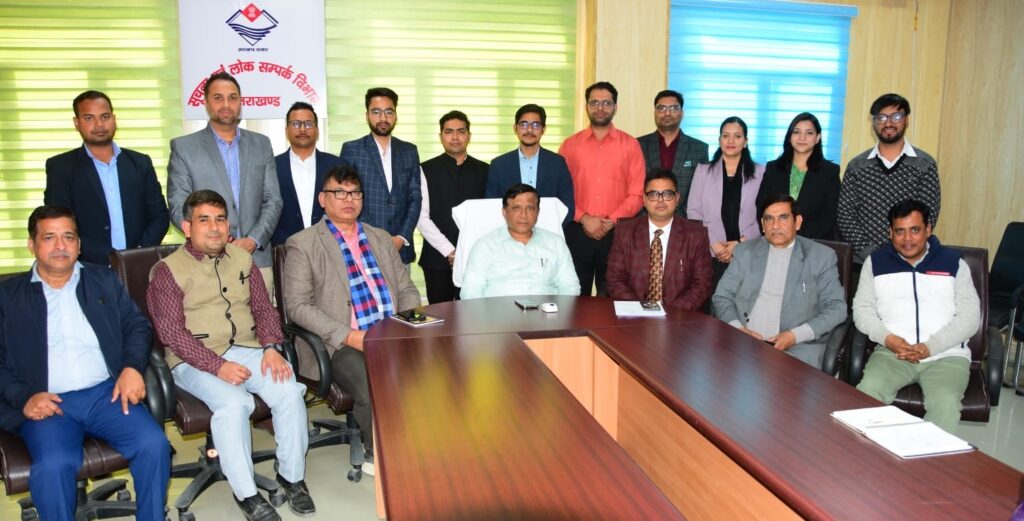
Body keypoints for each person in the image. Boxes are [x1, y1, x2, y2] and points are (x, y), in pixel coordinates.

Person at [147, 190, 313, 521]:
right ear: (187, 227)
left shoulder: (242, 259)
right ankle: (247, 494)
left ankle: (291, 477)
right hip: (193, 359)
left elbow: (264, 309)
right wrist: (217, 366)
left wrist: (271, 347)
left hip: (248, 348)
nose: (214, 228)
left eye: (220, 219)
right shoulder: (167, 270)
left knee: (288, 389)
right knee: (234, 404)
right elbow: (171, 334)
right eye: (204, 220)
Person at [0, 205, 169, 521]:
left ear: (79, 244)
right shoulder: (7, 296)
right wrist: (24, 397)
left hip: (105, 394)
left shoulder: (102, 280)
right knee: (54, 465)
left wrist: (132, 368)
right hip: (48, 403)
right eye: (49, 237)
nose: (60, 246)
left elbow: (137, 325)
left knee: (153, 444)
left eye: (68, 237)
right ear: (31, 244)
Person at [283, 165, 421, 472]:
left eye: (355, 193)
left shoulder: (380, 238)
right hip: (339, 343)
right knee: (374, 386)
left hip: (391, 334)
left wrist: (405, 325)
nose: (349, 200)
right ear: (323, 199)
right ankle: (382, 456)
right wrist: (349, 335)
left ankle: (424, 442)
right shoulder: (303, 243)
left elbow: (407, 289)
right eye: (339, 193)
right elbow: (297, 306)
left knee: (436, 372)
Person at [853, 199, 980, 433]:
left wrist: (931, 347)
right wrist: (889, 339)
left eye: (915, 230)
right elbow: (862, 310)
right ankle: (871, 454)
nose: (907, 239)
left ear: (928, 229)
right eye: (899, 231)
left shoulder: (953, 262)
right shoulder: (875, 263)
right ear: (890, 232)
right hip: (893, 353)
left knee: (946, 404)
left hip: (945, 354)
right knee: (867, 394)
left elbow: (970, 317)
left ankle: (929, 456)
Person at [712, 194, 847, 368]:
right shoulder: (745, 251)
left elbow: (837, 308)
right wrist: (738, 329)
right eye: (769, 219)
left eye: (783, 218)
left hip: (796, 348)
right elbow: (722, 296)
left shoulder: (821, 257)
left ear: (797, 222)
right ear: (762, 224)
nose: (775, 226)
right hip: (741, 341)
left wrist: (794, 336)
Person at [167, 71, 282, 269]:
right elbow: (178, 205)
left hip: (256, 259)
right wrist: (214, 239)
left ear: (240, 102)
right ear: (206, 103)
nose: (226, 104)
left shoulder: (261, 144)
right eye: (218, 98)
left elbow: (273, 200)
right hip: (205, 262)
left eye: (232, 98)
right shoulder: (184, 148)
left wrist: (253, 240)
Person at [44, 90, 169, 265]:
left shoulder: (140, 163)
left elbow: (159, 216)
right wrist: (106, 259)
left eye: (105, 117)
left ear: (114, 118)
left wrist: (139, 252)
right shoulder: (61, 167)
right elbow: (59, 223)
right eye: (89, 118)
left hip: (139, 263)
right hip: (89, 266)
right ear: (76, 123)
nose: (99, 124)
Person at [558, 81, 645, 296]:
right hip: (577, 231)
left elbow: (637, 193)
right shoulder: (570, 145)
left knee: (613, 296)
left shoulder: (630, 145)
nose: (600, 108)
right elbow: (560, 191)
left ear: (615, 107)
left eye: (606, 103)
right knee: (575, 295)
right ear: (586, 106)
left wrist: (610, 221)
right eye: (594, 102)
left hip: (616, 233)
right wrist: (583, 217)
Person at [838, 93, 940, 264]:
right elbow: (845, 215)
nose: (888, 123)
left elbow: (928, 215)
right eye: (881, 117)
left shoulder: (924, 163)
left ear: (907, 120)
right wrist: (872, 255)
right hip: (863, 263)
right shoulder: (857, 165)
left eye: (896, 116)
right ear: (873, 123)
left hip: (909, 261)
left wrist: (901, 253)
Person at [606, 168, 712, 311]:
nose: (660, 200)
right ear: (644, 199)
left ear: (677, 198)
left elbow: (702, 283)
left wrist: (671, 313)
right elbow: (615, 279)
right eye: (653, 194)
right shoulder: (625, 232)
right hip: (635, 316)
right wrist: (642, 310)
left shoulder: (696, 234)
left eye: (667, 194)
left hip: (680, 317)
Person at [339, 87, 421, 264]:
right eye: (376, 112)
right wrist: (374, 238)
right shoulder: (352, 150)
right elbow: (348, 198)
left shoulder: (409, 151)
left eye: (388, 112)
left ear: (396, 116)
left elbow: (415, 198)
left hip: (400, 248)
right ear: (367, 115)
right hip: (363, 245)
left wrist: (401, 237)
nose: (383, 118)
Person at [461, 184, 580, 299]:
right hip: (498, 312)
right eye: (516, 208)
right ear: (504, 212)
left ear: (538, 212)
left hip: (547, 311)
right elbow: (471, 291)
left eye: (530, 208)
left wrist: (559, 311)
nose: (523, 215)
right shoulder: (485, 246)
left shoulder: (555, 243)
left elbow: (570, 285)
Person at [418, 110, 489, 303]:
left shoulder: (485, 170)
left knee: (474, 314)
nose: (455, 137)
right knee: (439, 315)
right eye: (449, 131)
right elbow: (421, 217)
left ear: (469, 136)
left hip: (476, 258)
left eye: (461, 131)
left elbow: (489, 217)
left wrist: (467, 252)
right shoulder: (425, 169)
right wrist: (450, 251)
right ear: (440, 136)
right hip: (437, 257)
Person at [687, 116, 765, 283]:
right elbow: (693, 212)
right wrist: (713, 243)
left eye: (737, 136)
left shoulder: (761, 173)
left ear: (745, 141)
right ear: (719, 140)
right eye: (726, 135)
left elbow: (764, 214)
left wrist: (739, 243)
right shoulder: (703, 171)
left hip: (748, 251)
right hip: (712, 252)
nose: (731, 141)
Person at [756, 112, 840, 240]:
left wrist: (795, 237)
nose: (802, 138)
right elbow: (762, 207)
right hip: (776, 240)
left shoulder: (830, 172)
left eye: (809, 133)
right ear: (789, 137)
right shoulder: (773, 169)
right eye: (796, 132)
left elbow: (829, 215)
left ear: (817, 138)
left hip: (814, 243)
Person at [486, 104, 574, 224]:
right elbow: (492, 206)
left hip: (548, 232)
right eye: (524, 124)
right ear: (515, 128)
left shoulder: (557, 163)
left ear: (544, 129)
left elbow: (567, 207)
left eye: (536, 125)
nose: (529, 130)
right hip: (508, 232)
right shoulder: (499, 165)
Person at [271, 101, 343, 246]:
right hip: (286, 247)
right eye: (296, 124)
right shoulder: (272, 166)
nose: (302, 129)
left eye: (308, 124)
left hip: (331, 246)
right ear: (286, 130)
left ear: (317, 130)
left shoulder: (337, 165)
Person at [637, 89, 709, 214]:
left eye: (674, 108)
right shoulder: (638, 145)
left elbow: (702, 193)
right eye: (662, 108)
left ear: (682, 113)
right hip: (646, 219)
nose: (667, 113)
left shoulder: (699, 149)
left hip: (685, 221)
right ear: (655, 113)